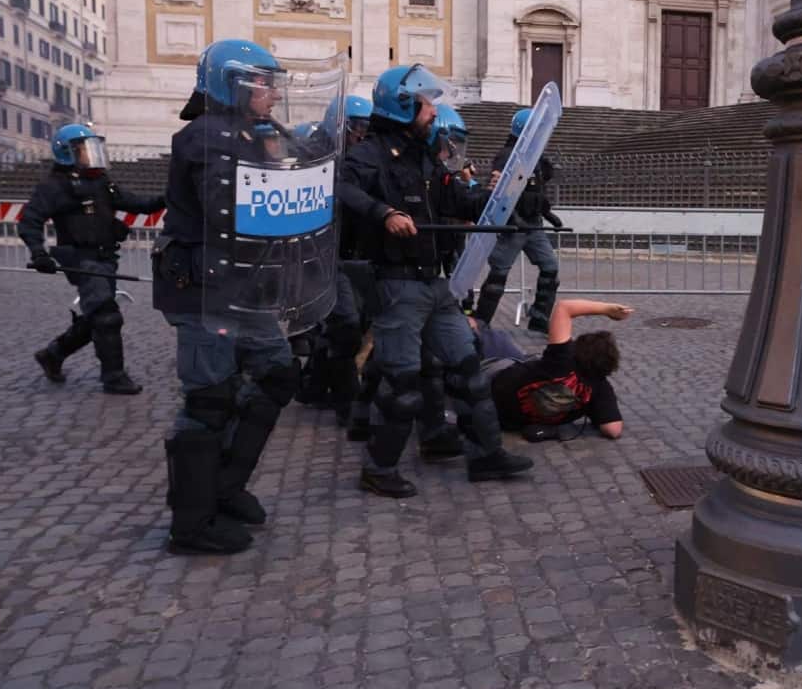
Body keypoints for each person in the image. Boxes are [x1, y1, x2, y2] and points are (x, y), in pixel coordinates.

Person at [151, 40, 316, 555]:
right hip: (204, 288)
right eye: (262, 82)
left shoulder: (251, 134)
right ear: (232, 84)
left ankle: (224, 486)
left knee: (277, 373)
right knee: (208, 400)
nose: (271, 92)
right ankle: (191, 522)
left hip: (246, 287)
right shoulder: (204, 137)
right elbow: (231, 209)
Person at [338, 64, 531, 499]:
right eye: (427, 103)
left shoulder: (424, 156)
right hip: (395, 285)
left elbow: (454, 198)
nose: (433, 111)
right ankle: (378, 469)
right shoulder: (367, 156)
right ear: (404, 106)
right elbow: (342, 190)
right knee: (402, 383)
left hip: (434, 284)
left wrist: (495, 192)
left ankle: (486, 456)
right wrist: (383, 214)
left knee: (467, 368)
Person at [23, 123, 163, 395]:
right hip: (81, 258)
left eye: (93, 148)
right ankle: (113, 377)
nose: (91, 154)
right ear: (68, 153)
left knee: (96, 317)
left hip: (105, 257)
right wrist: (38, 253)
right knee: (108, 317)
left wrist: (167, 198)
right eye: (84, 150)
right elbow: (30, 220)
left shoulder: (100, 181)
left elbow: (135, 203)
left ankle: (53, 354)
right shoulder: (55, 186)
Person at [295, 94, 372, 418]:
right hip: (321, 254)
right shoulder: (314, 157)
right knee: (347, 323)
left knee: (340, 325)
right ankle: (346, 400)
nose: (362, 136)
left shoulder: (358, 160)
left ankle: (312, 385)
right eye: (358, 129)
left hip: (349, 252)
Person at [473, 107, 564, 334]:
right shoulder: (508, 156)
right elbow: (502, 192)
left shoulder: (537, 157)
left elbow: (537, 192)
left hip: (533, 225)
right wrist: (512, 220)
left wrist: (549, 214)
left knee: (550, 267)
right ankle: (480, 322)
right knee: (498, 275)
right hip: (512, 227)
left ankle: (540, 317)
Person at [489, 298, 633, 440]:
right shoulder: (600, 389)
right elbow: (613, 429)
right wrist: (593, 409)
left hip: (494, 386)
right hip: (509, 422)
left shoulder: (562, 357)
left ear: (579, 349)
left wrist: (608, 310)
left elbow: (564, 307)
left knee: (493, 336)